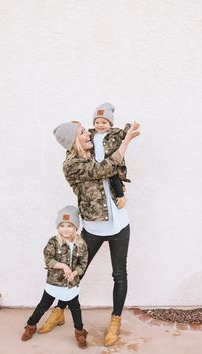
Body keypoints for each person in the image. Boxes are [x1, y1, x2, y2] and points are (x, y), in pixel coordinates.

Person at [51, 116, 140, 347]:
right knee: (77, 271)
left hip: (120, 225)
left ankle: (115, 321)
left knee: (119, 274)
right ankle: (59, 311)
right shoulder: (72, 165)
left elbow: (102, 130)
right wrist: (127, 141)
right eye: (83, 132)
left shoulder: (92, 148)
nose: (89, 133)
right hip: (94, 228)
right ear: (74, 141)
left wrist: (126, 129)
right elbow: (106, 167)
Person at [21, 205, 88, 349]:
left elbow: (83, 264)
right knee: (43, 306)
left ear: (75, 227)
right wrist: (63, 266)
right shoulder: (53, 242)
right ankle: (31, 325)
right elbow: (48, 259)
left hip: (71, 284)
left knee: (76, 308)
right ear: (58, 227)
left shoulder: (81, 245)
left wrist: (74, 273)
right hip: (54, 284)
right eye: (62, 225)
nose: (65, 229)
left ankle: (80, 332)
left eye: (69, 225)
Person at [90, 102, 132, 209]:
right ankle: (120, 187)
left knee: (114, 177)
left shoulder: (114, 133)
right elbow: (79, 135)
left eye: (104, 122)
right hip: (97, 164)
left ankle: (121, 195)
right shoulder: (91, 133)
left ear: (110, 124)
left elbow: (125, 134)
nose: (100, 125)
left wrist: (130, 128)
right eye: (97, 122)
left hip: (110, 162)